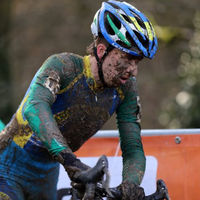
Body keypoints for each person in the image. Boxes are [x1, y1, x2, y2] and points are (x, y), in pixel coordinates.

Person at [0, 0, 158, 200]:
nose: (133, 69)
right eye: (127, 58)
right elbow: (34, 107)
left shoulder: (125, 89)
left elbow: (133, 147)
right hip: (6, 167)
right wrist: (71, 161)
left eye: (137, 61)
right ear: (101, 50)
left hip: (47, 176)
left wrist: (131, 184)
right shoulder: (64, 66)